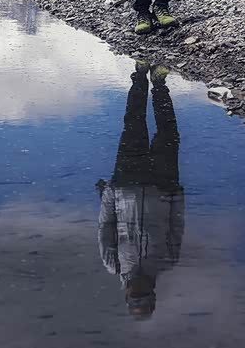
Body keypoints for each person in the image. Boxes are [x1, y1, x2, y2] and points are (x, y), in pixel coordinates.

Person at [96, 62, 185, 320]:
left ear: (126, 295)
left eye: (135, 296)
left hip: (126, 181)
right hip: (164, 182)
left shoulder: (114, 265)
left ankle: (139, 76)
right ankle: (159, 83)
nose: (138, 292)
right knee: (169, 131)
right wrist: (177, 197)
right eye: (142, 297)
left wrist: (111, 192)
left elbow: (105, 227)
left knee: (133, 123)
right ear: (152, 294)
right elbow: (176, 226)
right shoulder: (168, 261)